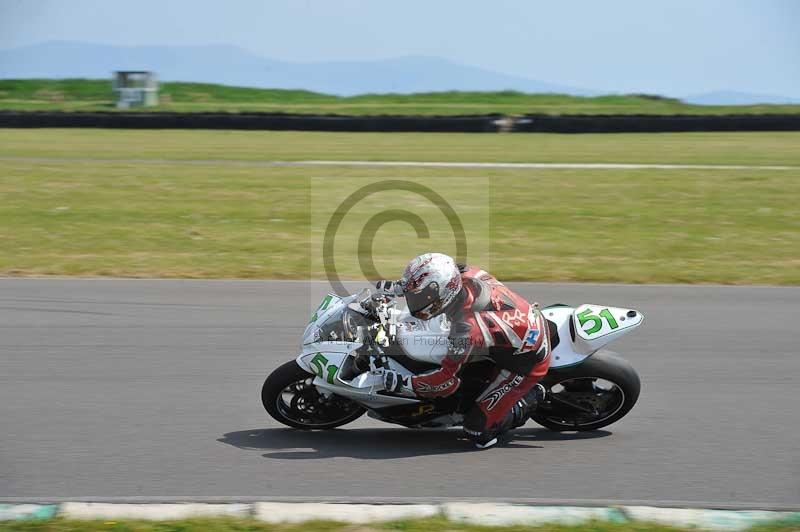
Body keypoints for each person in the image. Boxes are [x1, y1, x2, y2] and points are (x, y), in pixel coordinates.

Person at [377, 252, 551, 449]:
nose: (415, 301)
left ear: (442, 294)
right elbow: (431, 274)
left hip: (526, 362)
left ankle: (531, 396)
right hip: (514, 329)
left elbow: (446, 382)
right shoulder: (461, 274)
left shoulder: (465, 331)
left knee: (476, 431)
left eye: (421, 297)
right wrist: (400, 287)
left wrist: (404, 383)